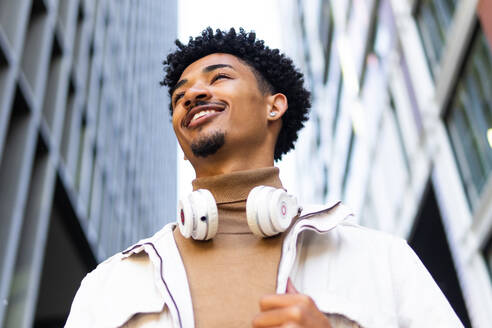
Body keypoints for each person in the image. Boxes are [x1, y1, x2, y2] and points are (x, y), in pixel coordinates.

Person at [65, 27, 463, 328]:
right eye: (178, 96)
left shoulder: (381, 259)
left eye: (218, 77)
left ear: (274, 107)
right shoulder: (109, 284)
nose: (192, 95)